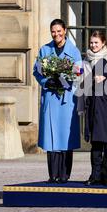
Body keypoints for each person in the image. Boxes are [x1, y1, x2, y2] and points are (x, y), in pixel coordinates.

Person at [33, 19, 82, 183]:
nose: (56, 34)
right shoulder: (44, 50)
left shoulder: (74, 51)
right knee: (51, 137)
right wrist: (47, 81)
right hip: (51, 98)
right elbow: (37, 71)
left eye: (59, 31)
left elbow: (79, 72)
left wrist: (66, 81)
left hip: (67, 99)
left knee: (64, 136)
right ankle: (52, 174)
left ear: (65, 30)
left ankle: (64, 175)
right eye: (53, 31)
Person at [82, 31, 107, 186]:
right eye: (91, 42)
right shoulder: (86, 60)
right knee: (96, 148)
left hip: (106, 107)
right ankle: (95, 174)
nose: (93, 45)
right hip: (93, 104)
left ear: (103, 43)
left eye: (96, 42)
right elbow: (82, 83)